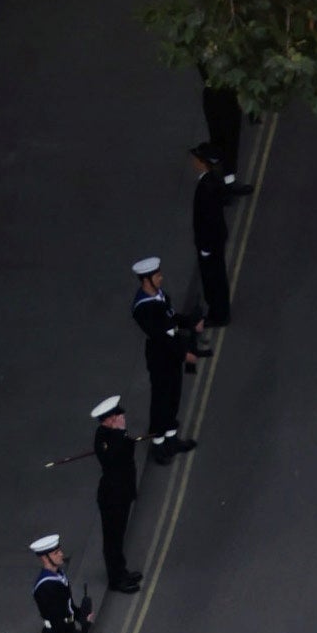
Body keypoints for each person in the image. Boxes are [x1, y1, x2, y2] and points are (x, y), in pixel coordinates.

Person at [131, 253, 194, 456]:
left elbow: (172, 317)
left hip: (172, 354)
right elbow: (160, 336)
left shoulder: (161, 296)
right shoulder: (143, 309)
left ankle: (171, 438)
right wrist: (185, 354)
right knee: (161, 400)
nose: (161, 278)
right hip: (160, 357)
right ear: (146, 280)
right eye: (157, 276)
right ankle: (157, 444)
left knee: (173, 396)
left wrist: (190, 322)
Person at [84, 394, 141, 593]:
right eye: (117, 415)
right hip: (112, 496)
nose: (121, 417)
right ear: (108, 419)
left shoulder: (116, 434)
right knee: (112, 540)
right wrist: (119, 434)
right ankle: (115, 578)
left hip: (122, 493)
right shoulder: (104, 438)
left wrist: (121, 434)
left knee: (119, 536)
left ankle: (121, 570)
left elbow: (128, 453)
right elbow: (113, 461)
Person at [190, 142, 234, 331]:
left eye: (196, 159)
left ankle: (219, 314)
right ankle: (219, 310)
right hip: (216, 238)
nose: (194, 162)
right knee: (216, 276)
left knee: (213, 278)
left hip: (210, 242)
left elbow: (207, 219)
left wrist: (205, 247)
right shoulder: (213, 181)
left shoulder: (205, 187)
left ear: (203, 163)